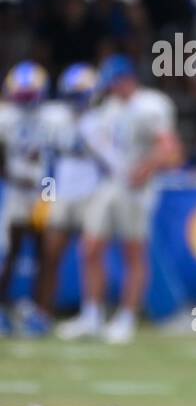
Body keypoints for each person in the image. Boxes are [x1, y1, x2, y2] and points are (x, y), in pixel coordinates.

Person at [57, 54, 182, 344]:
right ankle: (92, 315)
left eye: (114, 84)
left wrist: (147, 168)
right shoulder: (110, 108)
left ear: (127, 81)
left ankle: (127, 318)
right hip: (110, 183)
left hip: (136, 188)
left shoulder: (151, 106)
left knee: (134, 252)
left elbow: (172, 151)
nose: (111, 90)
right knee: (90, 247)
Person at [36, 63, 103, 326]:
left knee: (91, 255)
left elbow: (108, 163)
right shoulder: (55, 119)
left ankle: (92, 313)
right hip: (63, 194)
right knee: (51, 255)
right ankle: (43, 313)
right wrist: (47, 196)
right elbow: (49, 161)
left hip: (92, 194)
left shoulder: (100, 120)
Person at [0, 62, 55, 336]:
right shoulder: (6, 117)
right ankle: (2, 310)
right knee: (9, 250)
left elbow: (54, 157)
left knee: (46, 250)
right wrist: (9, 174)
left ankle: (41, 312)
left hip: (45, 187)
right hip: (15, 188)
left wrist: (48, 194)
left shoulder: (53, 117)